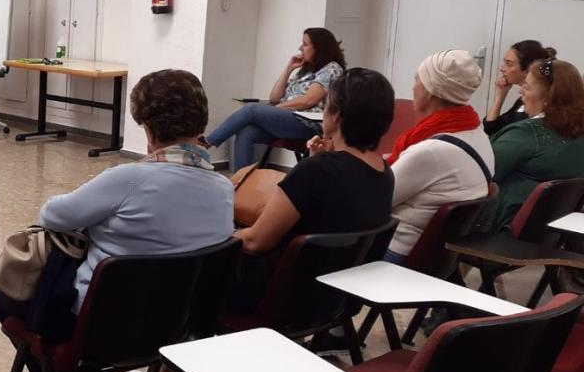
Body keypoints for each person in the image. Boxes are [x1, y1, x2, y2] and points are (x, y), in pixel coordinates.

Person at [0, 69, 234, 372]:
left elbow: (52, 213)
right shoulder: (224, 190)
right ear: (200, 122)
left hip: (100, 331)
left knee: (10, 301)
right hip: (176, 332)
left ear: (146, 125)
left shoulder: (129, 179)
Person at [232, 68, 395, 312]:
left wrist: (222, 236)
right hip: (335, 300)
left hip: (279, 299)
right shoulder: (385, 173)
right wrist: (317, 160)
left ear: (336, 116)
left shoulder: (315, 171)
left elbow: (257, 242)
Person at [386, 50, 494, 263]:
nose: (413, 86)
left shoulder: (431, 151)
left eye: (417, 79)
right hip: (438, 257)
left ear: (430, 90)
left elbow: (372, 201)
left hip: (397, 252)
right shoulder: (477, 135)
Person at [204, 27, 347, 171]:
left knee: (251, 110)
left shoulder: (331, 68)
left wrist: (277, 108)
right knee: (246, 131)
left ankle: (207, 143)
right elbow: (274, 97)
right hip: (290, 119)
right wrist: (289, 68)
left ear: (319, 48)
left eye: (305, 44)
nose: (300, 48)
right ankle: (240, 183)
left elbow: (307, 101)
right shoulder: (305, 70)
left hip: (308, 124)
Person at [478, 57, 584, 234]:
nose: (520, 91)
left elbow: (480, 174)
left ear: (548, 98)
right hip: (547, 233)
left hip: (497, 230)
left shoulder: (525, 135)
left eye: (526, 87)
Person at [485, 40, 556, 135]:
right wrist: (501, 94)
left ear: (528, 69)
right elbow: (490, 127)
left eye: (509, 64)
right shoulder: (522, 100)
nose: (502, 68)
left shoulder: (536, 103)